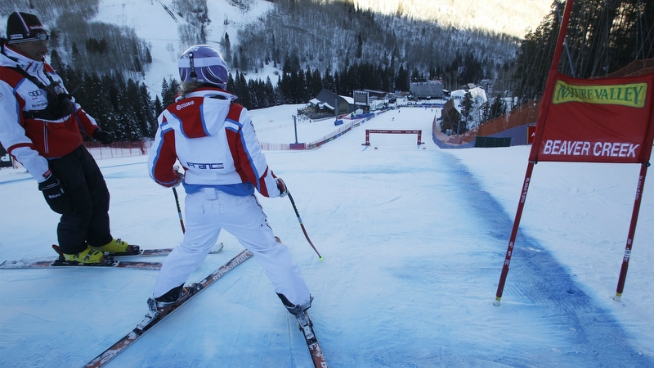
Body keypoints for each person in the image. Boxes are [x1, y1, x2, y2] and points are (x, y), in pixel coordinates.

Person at [147, 45, 312, 318]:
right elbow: (254, 165)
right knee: (268, 250)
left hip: (197, 202)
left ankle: (164, 294)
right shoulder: (234, 114)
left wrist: (171, 178)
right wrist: (276, 188)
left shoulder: (169, 116)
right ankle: (298, 301)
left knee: (191, 248)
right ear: (216, 73)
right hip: (237, 202)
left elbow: (157, 169)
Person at [0, 12, 132, 263]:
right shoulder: (5, 79)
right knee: (76, 205)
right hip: (50, 156)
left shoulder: (42, 67)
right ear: (17, 43)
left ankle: (100, 239)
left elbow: (69, 103)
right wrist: (45, 177)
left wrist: (93, 129)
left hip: (74, 146)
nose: (44, 47)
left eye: (45, 39)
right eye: (37, 41)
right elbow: (11, 134)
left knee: (99, 195)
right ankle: (72, 249)